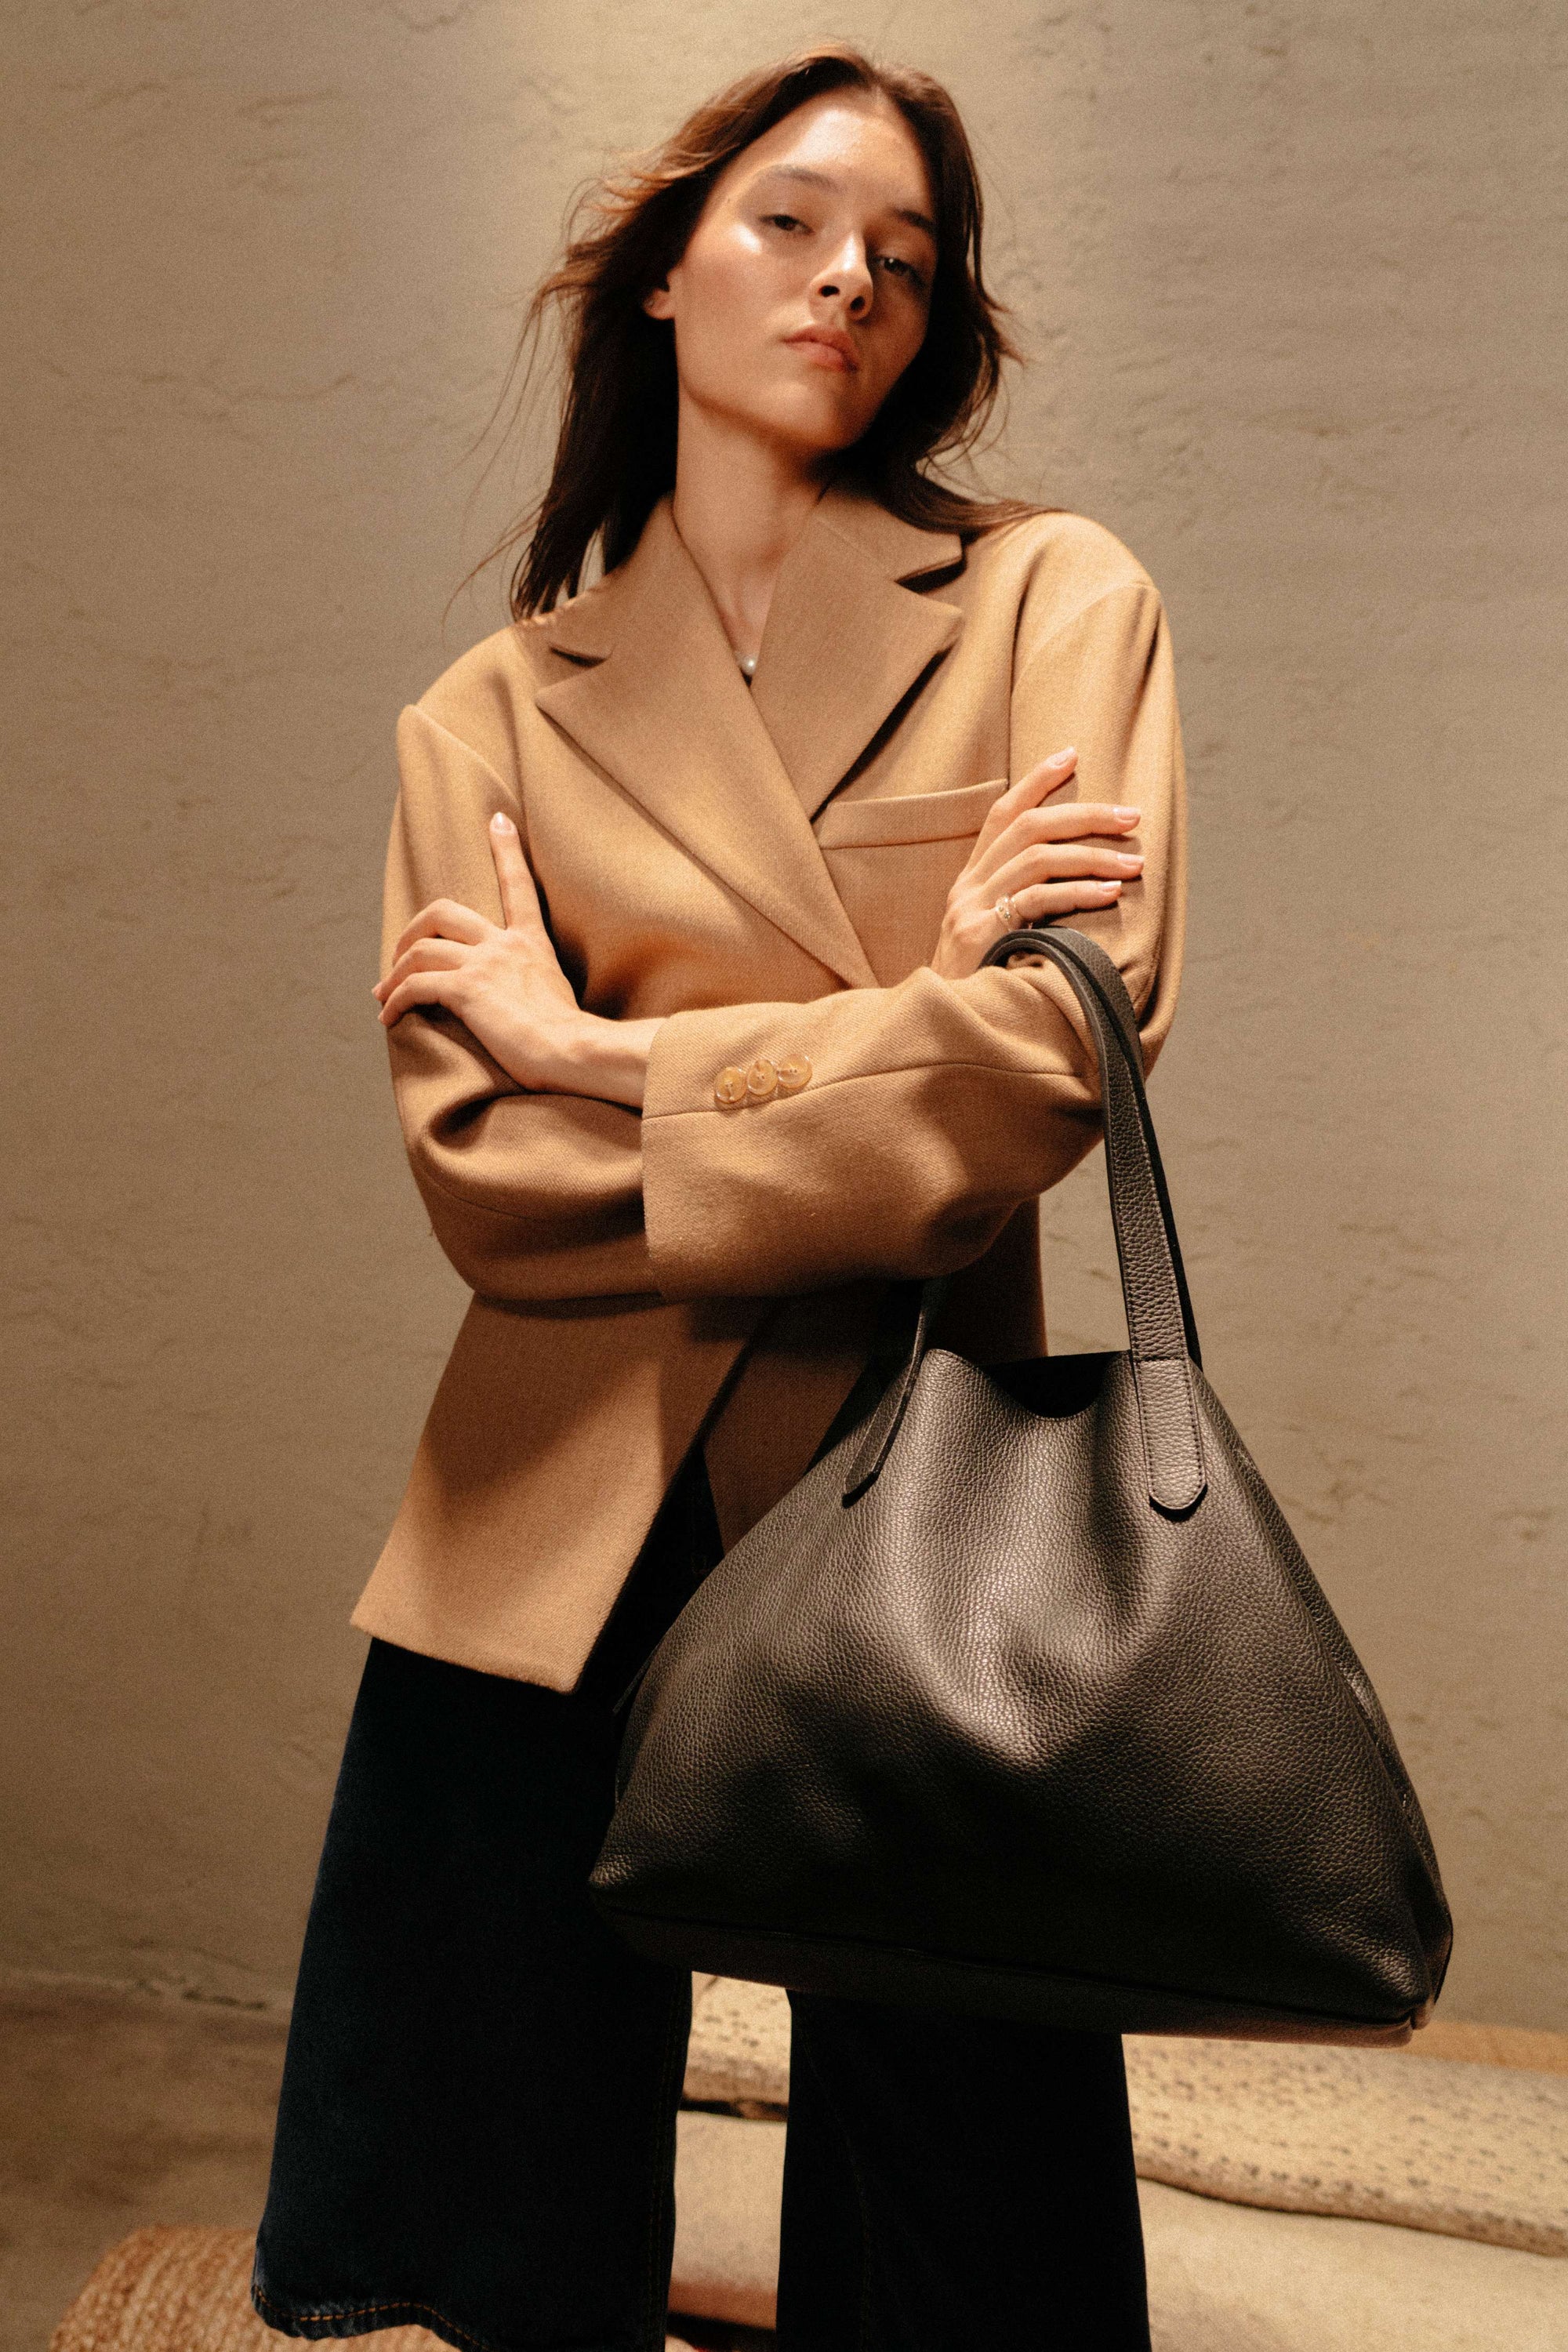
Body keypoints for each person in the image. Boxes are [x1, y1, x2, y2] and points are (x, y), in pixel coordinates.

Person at [252, 42, 1185, 2352]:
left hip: (917, 1485)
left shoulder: (1054, 598)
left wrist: (611, 1051)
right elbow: (492, 1172)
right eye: (789, 220)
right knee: (483, 2222)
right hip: (543, 1514)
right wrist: (881, 1021)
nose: (850, 276)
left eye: (904, 250)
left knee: (977, 2226)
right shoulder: (486, 716)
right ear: (664, 272)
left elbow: (1059, 1047)